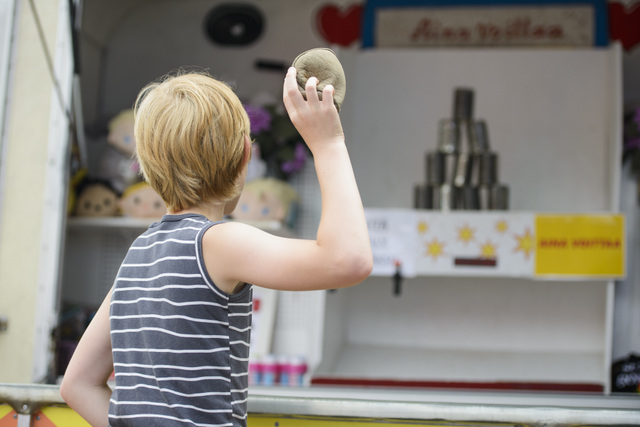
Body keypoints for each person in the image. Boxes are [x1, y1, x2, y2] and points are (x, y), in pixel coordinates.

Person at [59, 67, 373, 427]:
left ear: (146, 165)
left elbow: (77, 385)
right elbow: (350, 260)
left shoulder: (139, 254)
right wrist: (328, 144)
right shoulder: (217, 242)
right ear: (244, 156)